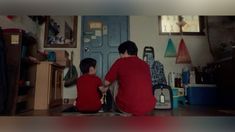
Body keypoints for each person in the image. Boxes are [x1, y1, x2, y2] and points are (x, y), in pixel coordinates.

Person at [101, 40, 156, 116]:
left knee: (113, 82)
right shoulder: (145, 64)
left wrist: (104, 87)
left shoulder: (120, 62)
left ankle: (110, 109)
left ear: (126, 51)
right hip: (149, 108)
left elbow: (106, 82)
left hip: (128, 108)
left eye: (120, 54)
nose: (120, 56)